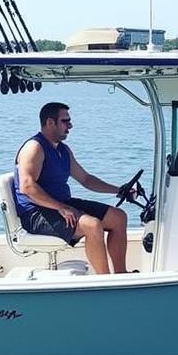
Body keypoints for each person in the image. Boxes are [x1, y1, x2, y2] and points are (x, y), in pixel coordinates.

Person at [14, 102, 131, 274]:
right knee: (92, 225)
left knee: (118, 217)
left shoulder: (63, 150)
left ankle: (122, 275)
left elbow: (86, 179)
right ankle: (105, 282)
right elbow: (27, 187)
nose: (70, 125)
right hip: (36, 213)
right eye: (65, 121)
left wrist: (119, 190)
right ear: (50, 122)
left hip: (62, 204)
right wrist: (61, 208)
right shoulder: (34, 148)